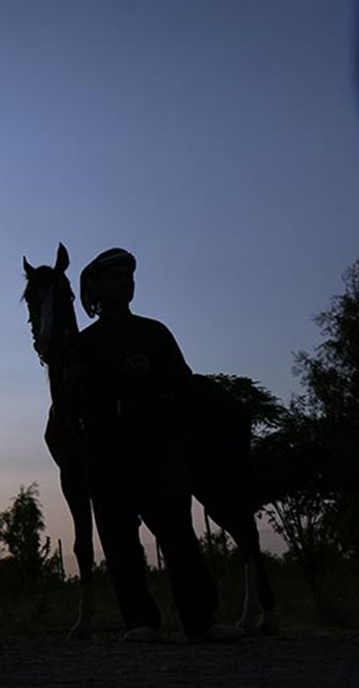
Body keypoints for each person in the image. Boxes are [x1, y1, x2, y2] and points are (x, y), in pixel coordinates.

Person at [75, 248, 242, 644]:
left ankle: (200, 621)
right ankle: (140, 622)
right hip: (107, 451)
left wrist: (153, 377)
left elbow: (183, 382)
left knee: (179, 534)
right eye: (115, 276)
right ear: (96, 286)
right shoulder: (84, 344)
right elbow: (76, 399)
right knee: (118, 540)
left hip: (157, 447)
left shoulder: (154, 333)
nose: (125, 281)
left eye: (128, 275)